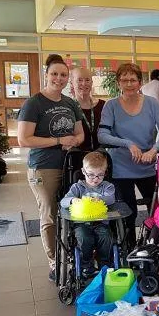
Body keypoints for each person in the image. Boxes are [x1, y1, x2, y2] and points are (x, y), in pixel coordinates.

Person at [18, 54, 85, 281]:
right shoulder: (34, 103)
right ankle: (55, 262)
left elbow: (80, 133)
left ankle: (73, 255)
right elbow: (24, 139)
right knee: (49, 214)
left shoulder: (70, 103)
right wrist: (58, 140)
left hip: (70, 166)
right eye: (54, 74)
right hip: (43, 167)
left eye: (63, 75)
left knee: (72, 212)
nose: (59, 78)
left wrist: (74, 141)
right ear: (46, 75)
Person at [98, 63, 159, 247]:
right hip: (120, 167)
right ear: (118, 83)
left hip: (147, 165)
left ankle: (154, 245)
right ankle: (129, 249)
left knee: (156, 209)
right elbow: (102, 135)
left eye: (133, 80)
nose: (129, 84)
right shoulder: (111, 105)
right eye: (124, 80)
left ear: (140, 82)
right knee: (127, 213)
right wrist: (128, 143)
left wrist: (154, 150)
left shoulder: (151, 103)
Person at [59, 151, 115, 277]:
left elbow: (111, 199)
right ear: (83, 171)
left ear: (105, 172)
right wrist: (73, 200)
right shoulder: (77, 187)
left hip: (101, 223)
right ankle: (86, 265)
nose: (95, 179)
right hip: (82, 224)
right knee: (84, 238)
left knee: (106, 237)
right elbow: (63, 202)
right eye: (91, 175)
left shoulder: (107, 187)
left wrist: (99, 199)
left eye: (100, 175)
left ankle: (104, 264)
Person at [69, 67, 105, 151]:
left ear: (92, 83)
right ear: (72, 83)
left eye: (87, 80)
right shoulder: (68, 107)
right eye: (79, 80)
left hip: (99, 155)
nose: (84, 83)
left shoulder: (103, 106)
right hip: (76, 155)